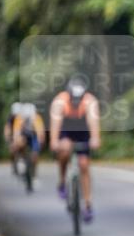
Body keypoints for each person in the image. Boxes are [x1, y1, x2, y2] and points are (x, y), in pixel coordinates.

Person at [50, 76, 101, 223]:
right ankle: (62, 180)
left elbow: (93, 122)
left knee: (84, 164)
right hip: (66, 129)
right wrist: (54, 141)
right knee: (64, 150)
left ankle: (87, 204)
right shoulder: (60, 101)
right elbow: (55, 123)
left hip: (82, 130)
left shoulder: (90, 101)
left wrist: (95, 138)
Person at [10, 102, 46, 182]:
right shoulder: (19, 118)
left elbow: (40, 133)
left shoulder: (36, 118)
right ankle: (21, 159)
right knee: (19, 143)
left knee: (35, 156)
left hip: (33, 136)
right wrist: (16, 143)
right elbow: (16, 133)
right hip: (24, 135)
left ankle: (34, 174)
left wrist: (40, 143)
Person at [4, 102, 22, 175]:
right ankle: (14, 165)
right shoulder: (11, 117)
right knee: (12, 150)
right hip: (12, 135)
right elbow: (7, 128)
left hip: (21, 134)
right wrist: (8, 138)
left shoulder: (22, 116)